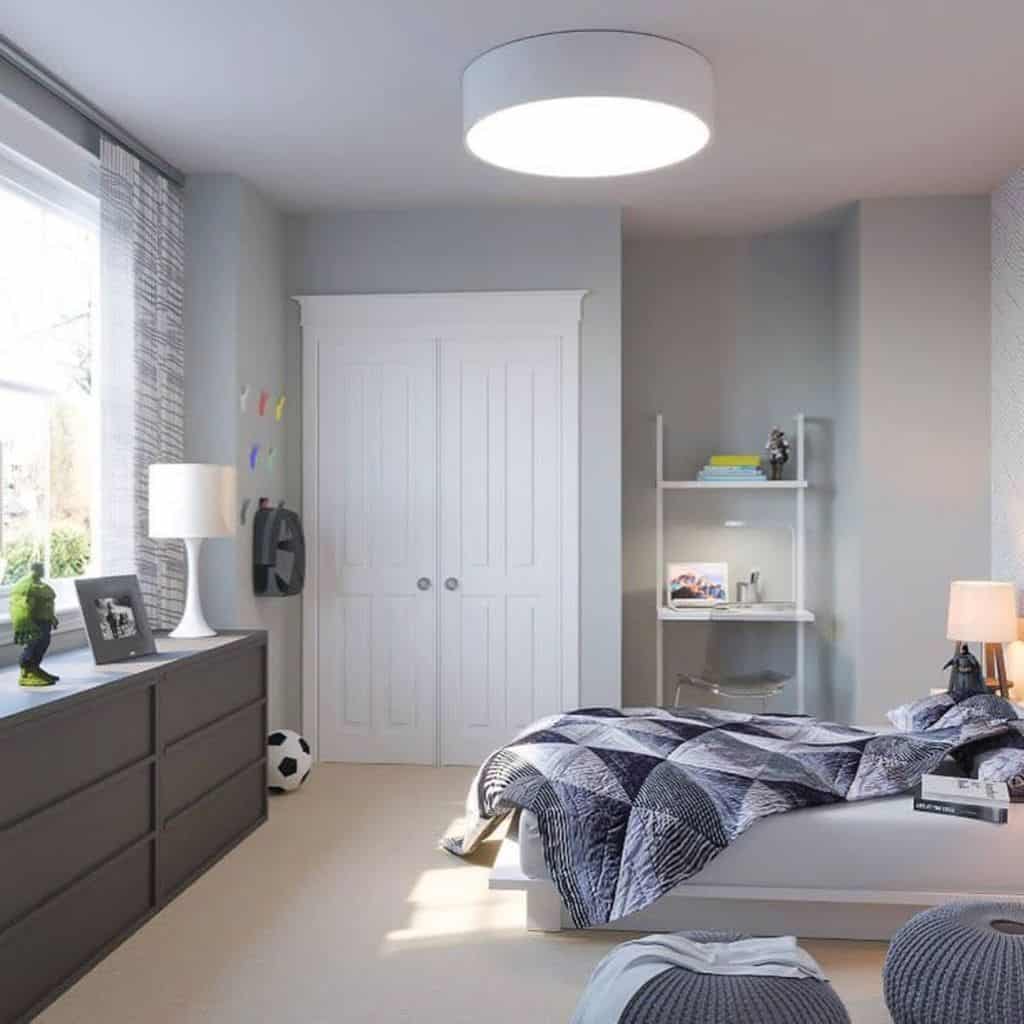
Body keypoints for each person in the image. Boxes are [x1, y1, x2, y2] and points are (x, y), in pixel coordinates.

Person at [10, 562, 59, 686]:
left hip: (44, 622)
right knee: (34, 645)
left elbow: (47, 604)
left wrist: (52, 617)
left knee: (43, 643)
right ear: (34, 570)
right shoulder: (27, 587)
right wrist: (24, 624)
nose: (43, 570)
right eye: (41, 568)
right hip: (35, 623)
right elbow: (22, 608)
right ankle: (27, 671)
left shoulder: (41, 586)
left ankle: (35, 668)